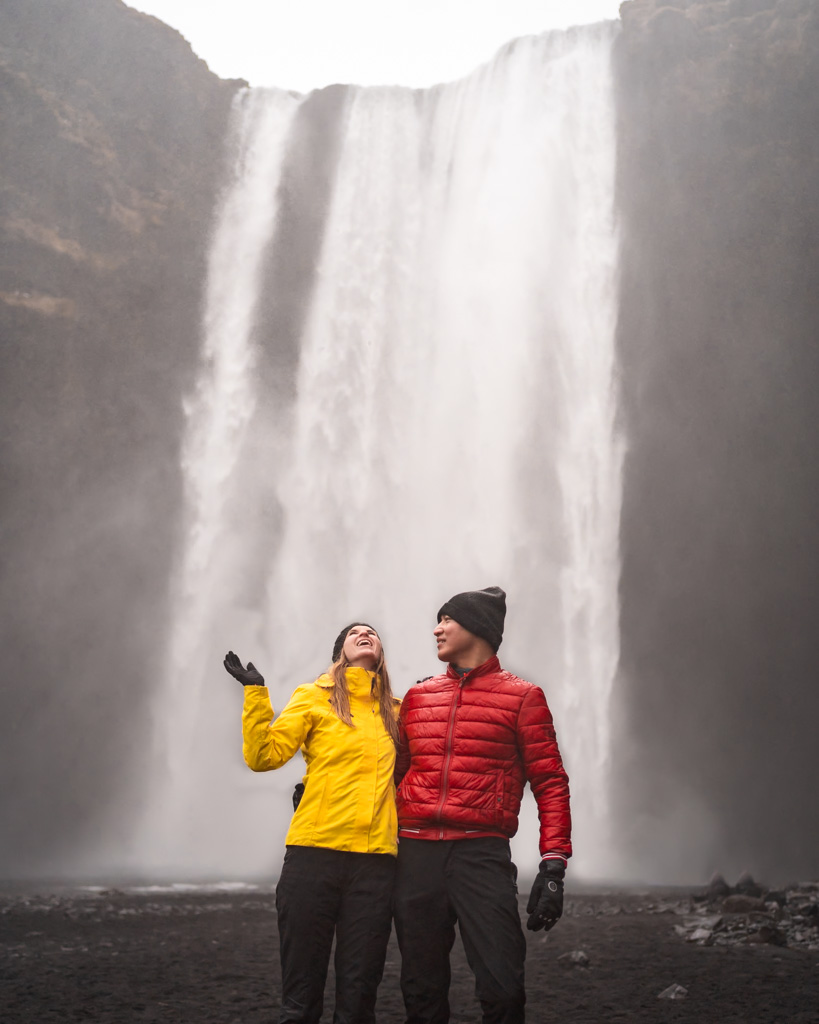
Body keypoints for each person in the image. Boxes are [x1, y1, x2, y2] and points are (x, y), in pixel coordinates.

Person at [393, 586, 571, 1024]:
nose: (436, 629)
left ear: (476, 628)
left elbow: (550, 782)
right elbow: (391, 775)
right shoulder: (417, 698)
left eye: (446, 620)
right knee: (421, 992)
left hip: (480, 855)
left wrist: (553, 867)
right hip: (414, 855)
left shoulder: (523, 697)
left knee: (504, 989)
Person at [223, 622, 400, 1024]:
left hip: (375, 867)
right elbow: (263, 755)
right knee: (301, 999)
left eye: (372, 632)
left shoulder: (396, 710)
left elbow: (415, 776)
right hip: (312, 858)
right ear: (340, 652)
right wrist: (256, 692)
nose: (365, 634)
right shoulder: (313, 698)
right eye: (355, 632)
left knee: (358, 1001)